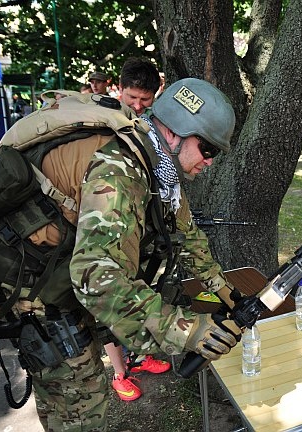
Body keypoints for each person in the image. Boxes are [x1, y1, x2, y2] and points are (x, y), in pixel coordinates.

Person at [3, 78, 244, 431]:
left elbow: (186, 234)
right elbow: (97, 277)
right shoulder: (121, 170)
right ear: (175, 134)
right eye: (208, 149)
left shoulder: (159, 168)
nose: (210, 162)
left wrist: (225, 291)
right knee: (81, 407)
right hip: (36, 294)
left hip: (57, 280)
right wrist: (188, 331)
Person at [104, 57, 167, 402]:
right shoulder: (103, 123)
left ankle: (140, 356)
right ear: (119, 88)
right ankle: (118, 372)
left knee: (137, 290)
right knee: (111, 301)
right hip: (107, 227)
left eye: (145, 100)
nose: (138, 106)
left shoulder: (144, 127)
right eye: (132, 98)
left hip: (137, 231)